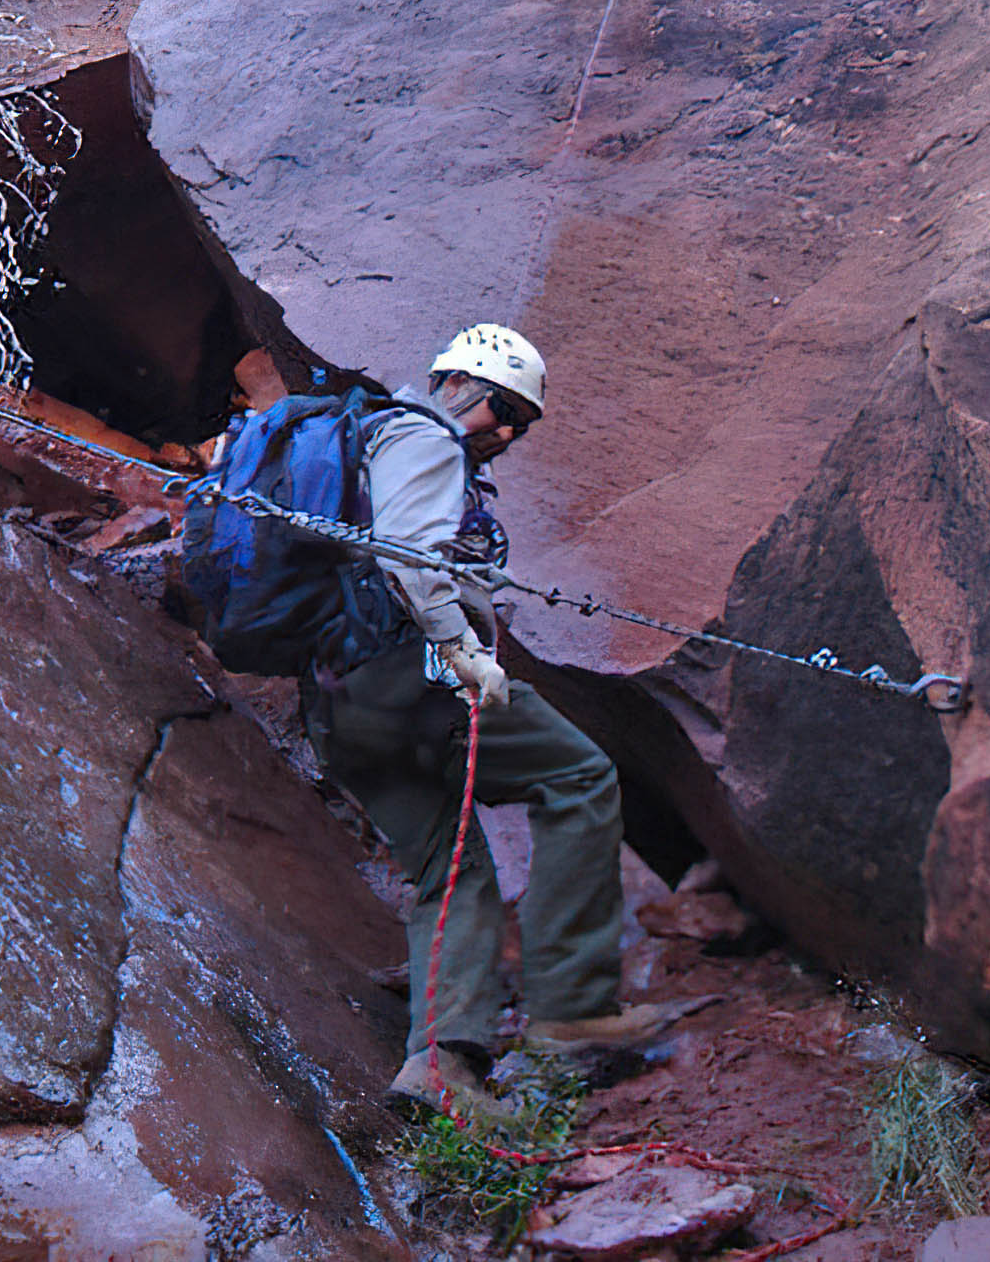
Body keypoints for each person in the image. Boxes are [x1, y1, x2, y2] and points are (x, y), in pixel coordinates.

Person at [304, 321, 709, 1118]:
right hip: (412, 684)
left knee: (451, 874)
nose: (512, 437)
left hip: (338, 701)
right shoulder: (425, 441)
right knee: (581, 774)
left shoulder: (361, 443)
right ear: (472, 391)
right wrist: (465, 653)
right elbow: (409, 559)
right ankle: (572, 1006)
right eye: (510, 415)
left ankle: (440, 1067)